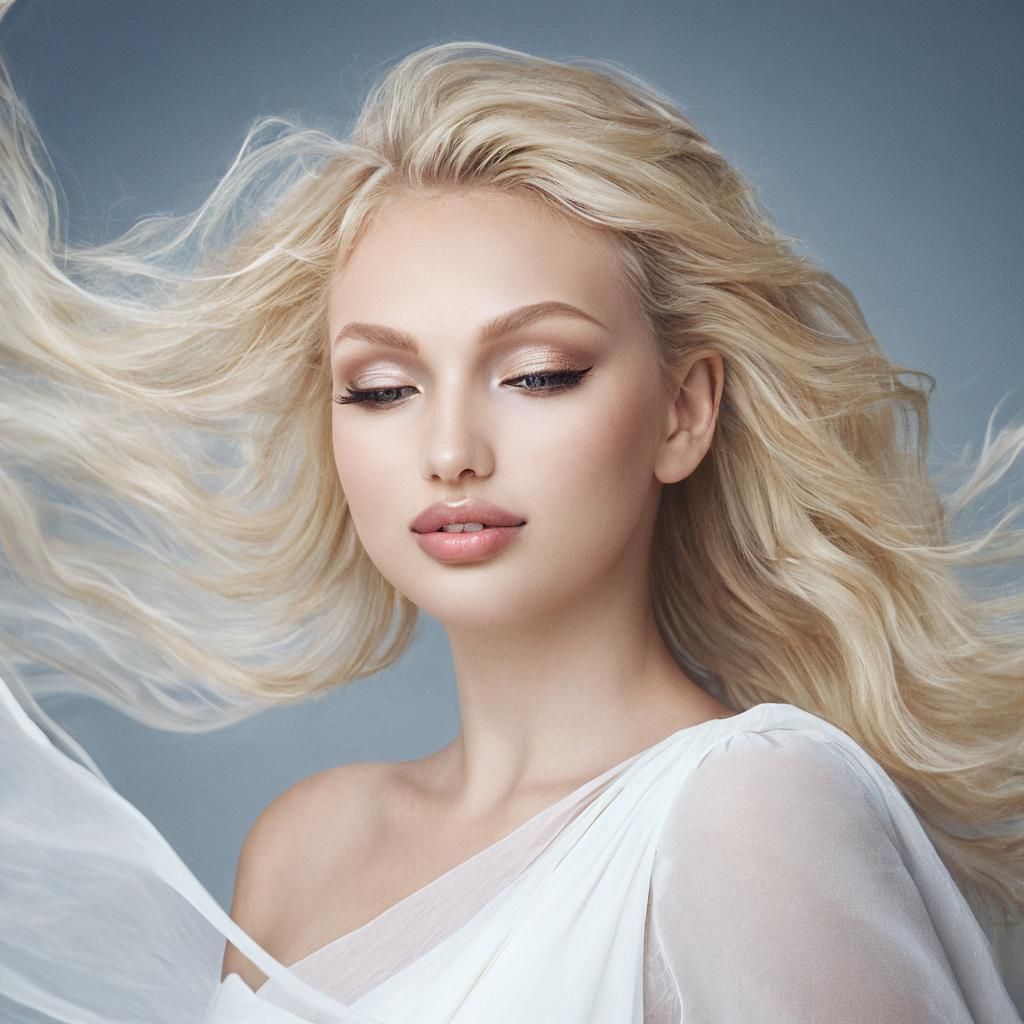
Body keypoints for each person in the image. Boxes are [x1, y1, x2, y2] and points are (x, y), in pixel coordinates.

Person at [0, 36, 1022, 1024]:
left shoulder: (747, 809)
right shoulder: (302, 847)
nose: (450, 449)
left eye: (538, 373)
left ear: (683, 412)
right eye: (382, 386)